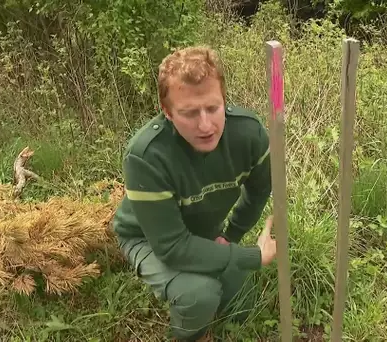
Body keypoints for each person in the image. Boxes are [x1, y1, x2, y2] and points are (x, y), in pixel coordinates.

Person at [111, 45, 277, 341]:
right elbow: (172, 247)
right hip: (149, 237)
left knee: (241, 307)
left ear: (224, 99)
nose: (205, 125)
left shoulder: (249, 134)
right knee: (200, 295)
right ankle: (190, 336)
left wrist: (232, 237)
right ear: (167, 112)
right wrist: (250, 256)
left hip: (203, 230)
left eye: (213, 108)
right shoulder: (146, 156)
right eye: (189, 113)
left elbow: (260, 189)